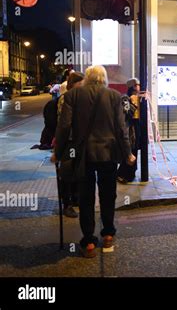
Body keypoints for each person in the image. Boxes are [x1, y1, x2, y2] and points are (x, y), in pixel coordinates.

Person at [52, 65, 136, 258]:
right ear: (104, 78)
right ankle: (107, 233)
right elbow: (120, 129)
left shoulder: (73, 96)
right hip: (108, 153)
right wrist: (128, 153)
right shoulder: (115, 96)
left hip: (83, 155)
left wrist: (58, 152)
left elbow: (64, 127)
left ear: (88, 77)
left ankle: (88, 241)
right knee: (108, 194)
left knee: (86, 197)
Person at [56, 72, 85, 218]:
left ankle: (75, 199)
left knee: (76, 171)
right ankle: (66, 204)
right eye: (80, 84)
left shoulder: (79, 98)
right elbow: (64, 124)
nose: (83, 87)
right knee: (67, 172)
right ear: (73, 84)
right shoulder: (65, 99)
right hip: (69, 141)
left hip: (77, 141)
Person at [117, 78, 141, 184]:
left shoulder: (140, 97)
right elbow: (127, 111)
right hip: (129, 129)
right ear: (133, 86)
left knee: (135, 150)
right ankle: (122, 174)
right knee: (129, 151)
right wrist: (134, 103)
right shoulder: (125, 98)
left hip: (137, 128)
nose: (139, 87)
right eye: (138, 85)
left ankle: (131, 174)